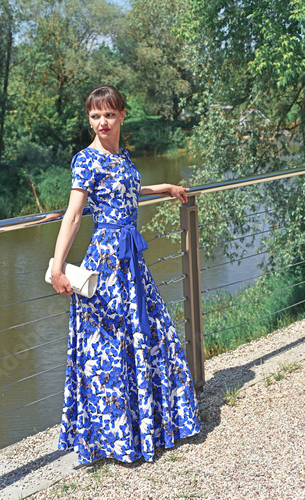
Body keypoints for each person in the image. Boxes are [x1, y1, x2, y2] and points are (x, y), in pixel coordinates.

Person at [51, 85, 201, 465]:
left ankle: (148, 426)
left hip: (132, 260)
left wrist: (163, 186)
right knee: (107, 347)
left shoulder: (123, 158)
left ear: (122, 116)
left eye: (109, 115)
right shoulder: (85, 160)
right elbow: (73, 215)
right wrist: (56, 265)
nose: (102, 122)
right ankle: (114, 438)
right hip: (105, 261)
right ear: (90, 120)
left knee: (152, 334)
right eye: (94, 116)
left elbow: (128, 191)